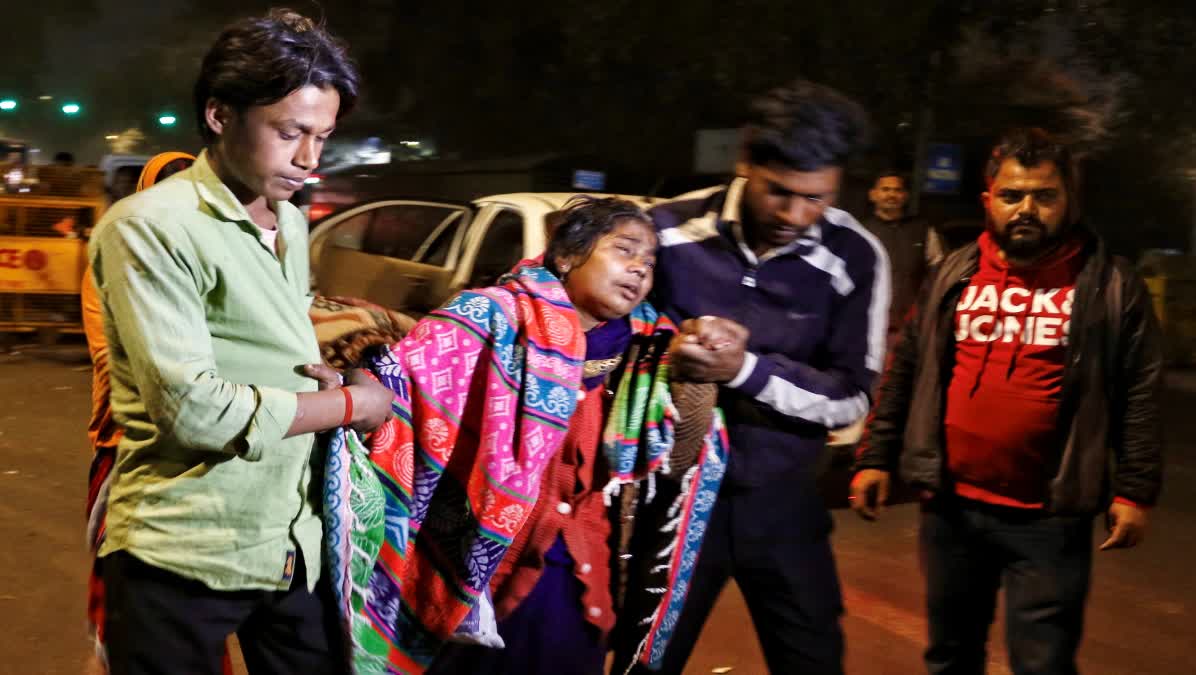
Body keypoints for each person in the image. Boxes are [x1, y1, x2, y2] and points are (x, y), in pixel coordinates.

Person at [87, 11, 395, 674]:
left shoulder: (288, 220)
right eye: (290, 133)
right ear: (221, 115)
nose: (310, 159)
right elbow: (194, 411)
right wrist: (352, 407)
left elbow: (274, 349)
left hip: (293, 547)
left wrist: (330, 383)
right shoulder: (151, 228)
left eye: (323, 136)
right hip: (181, 555)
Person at [323, 197, 730, 674]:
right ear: (566, 256)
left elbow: (677, 464)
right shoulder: (491, 317)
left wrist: (695, 379)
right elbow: (409, 379)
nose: (640, 268)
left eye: (649, 261)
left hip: (577, 586)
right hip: (478, 583)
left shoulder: (648, 350)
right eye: (624, 250)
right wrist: (365, 382)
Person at [851, 128, 1164, 674]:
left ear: (1069, 202)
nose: (1027, 209)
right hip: (951, 507)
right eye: (1012, 195)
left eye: (1045, 196)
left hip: (1048, 517)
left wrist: (1135, 489)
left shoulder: (1111, 286)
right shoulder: (954, 273)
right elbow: (908, 369)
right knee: (951, 655)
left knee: (1042, 663)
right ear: (988, 201)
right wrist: (876, 456)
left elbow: (1140, 391)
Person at [634, 80, 889, 675]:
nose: (796, 216)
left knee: (813, 659)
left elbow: (851, 396)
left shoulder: (856, 255)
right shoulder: (666, 231)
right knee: (642, 660)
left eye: (817, 198)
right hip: (671, 501)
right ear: (745, 160)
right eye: (780, 192)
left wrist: (745, 371)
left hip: (782, 504)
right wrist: (670, 351)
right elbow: (607, 346)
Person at [82, 152, 198, 675]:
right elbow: (114, 357)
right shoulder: (116, 254)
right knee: (126, 595)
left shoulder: (209, 256)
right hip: (127, 446)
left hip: (197, 453)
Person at [862, 170, 945, 339]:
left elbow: (939, 271)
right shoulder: (861, 231)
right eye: (885, 189)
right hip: (868, 326)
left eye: (897, 190)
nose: (892, 194)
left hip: (910, 330)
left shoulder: (922, 230)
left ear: (905, 196)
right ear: (873, 195)